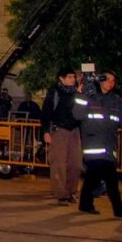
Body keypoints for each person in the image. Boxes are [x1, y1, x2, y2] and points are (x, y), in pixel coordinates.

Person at [71, 72, 122, 217]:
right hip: (93, 145)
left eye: (113, 80)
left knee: (92, 177)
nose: (111, 83)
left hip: (109, 146)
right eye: (108, 80)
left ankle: (85, 204)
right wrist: (81, 94)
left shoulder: (116, 100)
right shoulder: (88, 97)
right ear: (100, 81)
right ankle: (119, 209)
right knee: (110, 178)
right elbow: (77, 115)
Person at [40, 68, 82, 205]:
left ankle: (71, 191)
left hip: (74, 131)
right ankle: (61, 194)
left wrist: (81, 95)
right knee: (58, 164)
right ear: (61, 79)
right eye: (69, 77)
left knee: (75, 163)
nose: (72, 79)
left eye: (73, 77)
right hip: (59, 131)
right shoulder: (55, 92)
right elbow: (46, 112)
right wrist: (46, 131)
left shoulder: (77, 93)